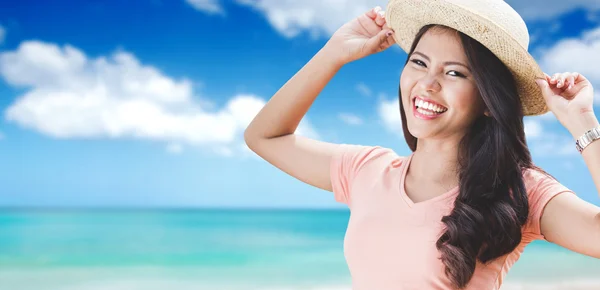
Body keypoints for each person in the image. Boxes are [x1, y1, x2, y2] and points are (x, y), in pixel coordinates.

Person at [244, 0, 600, 289]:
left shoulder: (518, 191)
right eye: (418, 62)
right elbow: (264, 136)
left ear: (490, 100)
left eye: (454, 72)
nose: (427, 84)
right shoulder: (367, 170)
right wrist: (333, 53)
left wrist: (582, 121)